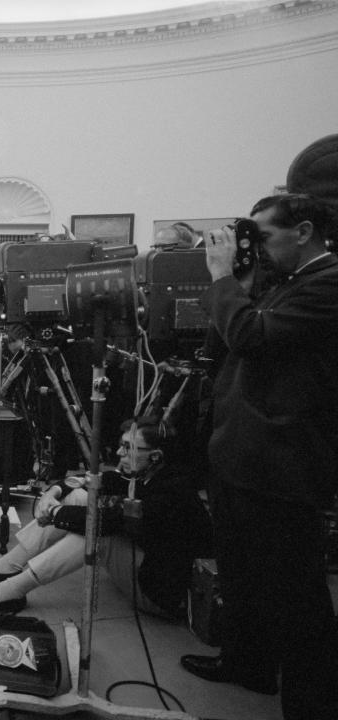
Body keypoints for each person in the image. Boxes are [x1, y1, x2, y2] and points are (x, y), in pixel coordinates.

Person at [179, 193, 338, 719]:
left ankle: (310, 706)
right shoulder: (284, 283)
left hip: (283, 464)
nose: (258, 248)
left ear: (305, 231)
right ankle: (247, 663)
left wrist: (224, 278)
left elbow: (251, 335)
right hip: (241, 454)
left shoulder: (328, 283)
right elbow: (224, 345)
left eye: (265, 236)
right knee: (241, 576)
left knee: (296, 599)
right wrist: (239, 286)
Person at [0, 416, 213, 619]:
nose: (120, 454)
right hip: (147, 560)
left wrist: (55, 513)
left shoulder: (172, 491)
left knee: (97, 532)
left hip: (159, 593)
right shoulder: (153, 471)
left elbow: (109, 520)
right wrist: (55, 491)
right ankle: (8, 566)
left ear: (156, 456)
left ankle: (13, 590)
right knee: (80, 496)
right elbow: (99, 480)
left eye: (128, 448)